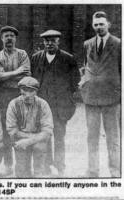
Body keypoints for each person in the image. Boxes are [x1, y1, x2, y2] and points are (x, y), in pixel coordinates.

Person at [31, 30, 80, 176]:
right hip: (42, 107)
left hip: (60, 107)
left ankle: (60, 167)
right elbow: (32, 80)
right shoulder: (36, 58)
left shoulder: (68, 59)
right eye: (47, 41)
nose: (49, 43)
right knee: (44, 137)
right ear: (43, 42)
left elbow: (75, 81)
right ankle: (46, 166)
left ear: (58, 42)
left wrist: (65, 97)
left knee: (59, 137)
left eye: (53, 40)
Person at [80, 11, 120, 177]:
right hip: (91, 98)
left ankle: (115, 170)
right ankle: (93, 170)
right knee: (92, 136)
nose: (98, 27)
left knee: (112, 137)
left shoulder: (118, 44)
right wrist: (84, 82)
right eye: (96, 25)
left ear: (108, 24)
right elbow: (85, 66)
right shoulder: (87, 44)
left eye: (101, 24)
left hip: (111, 97)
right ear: (92, 26)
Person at [0, 26, 31, 176]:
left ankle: (22, 164)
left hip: (19, 94)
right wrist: (17, 72)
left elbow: (26, 75)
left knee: (20, 128)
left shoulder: (22, 54)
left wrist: (6, 75)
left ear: (15, 38)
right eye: (6, 36)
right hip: (3, 95)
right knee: (7, 131)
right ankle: (8, 165)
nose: (9, 38)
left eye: (12, 36)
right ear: (2, 39)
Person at [6, 77, 53, 177]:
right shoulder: (13, 104)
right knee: (21, 172)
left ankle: (38, 176)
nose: (27, 95)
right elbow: (12, 130)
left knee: (39, 151)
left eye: (30, 91)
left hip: (38, 140)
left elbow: (47, 131)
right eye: (24, 91)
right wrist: (26, 139)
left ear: (36, 91)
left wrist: (29, 141)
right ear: (20, 90)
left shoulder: (43, 104)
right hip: (20, 139)